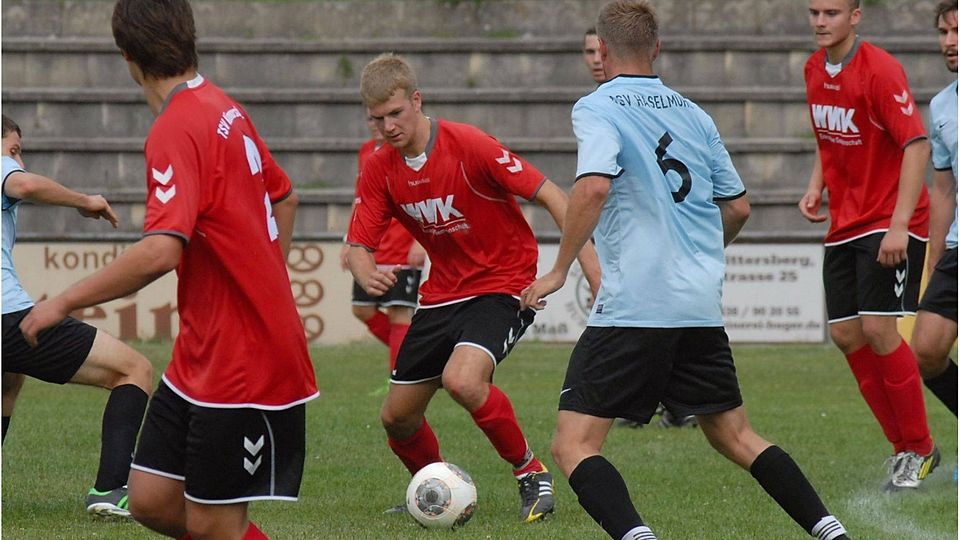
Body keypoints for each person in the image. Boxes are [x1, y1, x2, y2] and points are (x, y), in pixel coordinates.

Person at [521, 2, 850, 539]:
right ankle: (830, 530)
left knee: (573, 444)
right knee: (735, 435)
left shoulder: (597, 106)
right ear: (657, 48)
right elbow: (738, 206)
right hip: (698, 303)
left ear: (601, 51)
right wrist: (692, 251)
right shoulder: (694, 113)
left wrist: (559, 269)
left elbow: (595, 184)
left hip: (635, 305)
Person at [20, 1, 319, 538]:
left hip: (241, 361)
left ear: (128, 56)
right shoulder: (222, 105)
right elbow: (287, 196)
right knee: (151, 500)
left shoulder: (177, 127)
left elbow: (161, 250)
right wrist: (267, 279)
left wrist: (61, 303)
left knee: (213, 526)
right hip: (201, 354)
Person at [346, 52, 601, 523]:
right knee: (396, 417)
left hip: (503, 284)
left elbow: (553, 194)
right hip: (442, 294)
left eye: (396, 113)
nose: (388, 127)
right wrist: (364, 272)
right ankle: (435, 489)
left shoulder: (469, 145)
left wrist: (577, 270)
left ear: (416, 100)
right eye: (378, 119)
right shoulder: (380, 167)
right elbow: (358, 245)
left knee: (462, 380)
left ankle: (531, 473)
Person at [799, 0, 938, 491]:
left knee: (879, 330)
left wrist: (900, 225)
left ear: (855, 16)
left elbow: (916, 145)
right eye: (814, 12)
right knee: (846, 336)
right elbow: (826, 136)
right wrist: (817, 184)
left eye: (831, 13)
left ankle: (918, 448)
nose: (820, 21)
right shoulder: (813, 68)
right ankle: (902, 447)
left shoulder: (880, 69)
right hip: (846, 219)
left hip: (889, 218)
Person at [1, 114, 154, 518]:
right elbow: (26, 184)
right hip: (7, 316)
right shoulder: (6, 170)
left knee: (7, 384)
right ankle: (110, 489)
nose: (19, 160)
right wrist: (85, 201)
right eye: (14, 150)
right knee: (133, 369)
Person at [340, 115, 425, 377]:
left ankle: (399, 380)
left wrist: (420, 240)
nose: (377, 125)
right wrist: (349, 240)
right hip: (372, 250)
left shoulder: (406, 151)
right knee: (362, 309)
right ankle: (420, 356)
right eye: (371, 119)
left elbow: (424, 192)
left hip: (401, 247)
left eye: (383, 119)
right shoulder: (366, 151)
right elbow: (360, 200)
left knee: (399, 313)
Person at [911, 0, 958, 417]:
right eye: (944, 32)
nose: (949, 42)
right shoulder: (942, 106)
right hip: (958, 248)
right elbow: (943, 190)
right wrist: (936, 257)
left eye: (957, 31)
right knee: (926, 350)